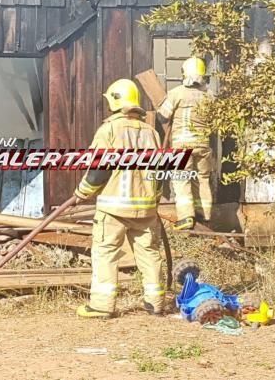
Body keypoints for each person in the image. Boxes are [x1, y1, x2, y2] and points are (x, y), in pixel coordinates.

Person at [74, 78, 165, 319]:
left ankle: (102, 305)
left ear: (114, 101)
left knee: (105, 253)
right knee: (149, 253)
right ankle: (156, 302)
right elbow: (160, 173)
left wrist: (83, 191)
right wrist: (155, 199)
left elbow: (99, 169)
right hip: (146, 209)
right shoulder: (151, 133)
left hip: (113, 207)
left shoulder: (110, 130)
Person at [158, 57, 214, 231]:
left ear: (184, 74)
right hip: (203, 145)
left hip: (182, 144)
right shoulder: (210, 95)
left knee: (181, 180)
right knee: (202, 179)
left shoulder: (177, 93)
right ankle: (204, 215)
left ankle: (186, 217)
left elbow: (163, 115)